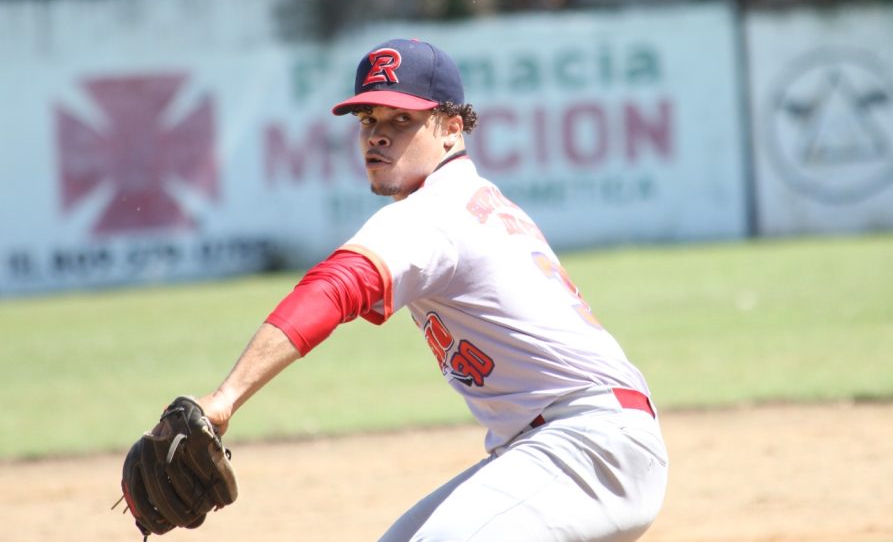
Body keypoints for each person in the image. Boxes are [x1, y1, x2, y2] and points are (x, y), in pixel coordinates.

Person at [197, 38, 668, 541]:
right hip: (576, 440)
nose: (377, 136)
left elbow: (332, 290)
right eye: (367, 120)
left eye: (401, 120)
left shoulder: (433, 214)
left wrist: (223, 399)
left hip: (584, 441)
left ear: (451, 129)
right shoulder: (472, 199)